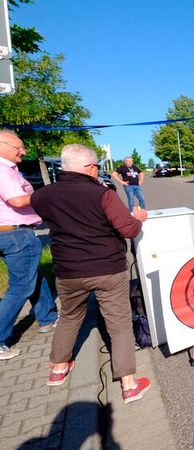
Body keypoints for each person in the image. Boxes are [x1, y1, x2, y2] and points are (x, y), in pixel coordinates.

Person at [31, 144, 151, 404]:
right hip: (107, 268)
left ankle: (59, 369)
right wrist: (139, 217)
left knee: (69, 317)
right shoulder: (103, 194)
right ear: (89, 167)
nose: (98, 170)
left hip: (68, 270)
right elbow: (128, 228)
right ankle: (129, 385)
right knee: (118, 324)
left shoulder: (42, 196)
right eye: (97, 166)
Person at [0, 130, 58, 360]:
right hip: (16, 234)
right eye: (19, 147)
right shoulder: (2, 170)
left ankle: (47, 318)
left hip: (14, 233)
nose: (23, 151)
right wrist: (49, 194)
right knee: (21, 286)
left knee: (35, 275)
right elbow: (16, 200)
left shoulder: (10, 169)